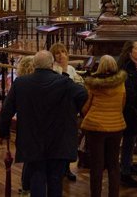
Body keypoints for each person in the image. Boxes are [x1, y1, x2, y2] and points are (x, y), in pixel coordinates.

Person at [0, 51, 88, 197]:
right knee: (55, 180)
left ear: (34, 65)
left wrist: (3, 132)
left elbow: (6, 112)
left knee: (37, 177)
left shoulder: (21, 83)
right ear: (52, 65)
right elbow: (83, 95)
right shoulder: (65, 83)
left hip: (32, 139)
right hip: (58, 140)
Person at [80, 55, 127, 197]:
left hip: (95, 127)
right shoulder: (121, 84)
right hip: (116, 126)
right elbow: (122, 105)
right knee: (113, 164)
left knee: (96, 165)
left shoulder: (93, 84)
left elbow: (85, 107)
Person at [50, 43, 83, 181]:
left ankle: (67, 168)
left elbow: (77, 83)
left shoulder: (70, 68)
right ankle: (57, 168)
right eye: (58, 53)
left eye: (63, 52)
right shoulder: (53, 70)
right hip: (57, 112)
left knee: (70, 141)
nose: (62, 55)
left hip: (71, 110)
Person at [118, 40, 137, 187]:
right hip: (130, 110)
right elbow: (129, 92)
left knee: (132, 140)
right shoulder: (127, 68)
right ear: (130, 52)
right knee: (129, 141)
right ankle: (124, 172)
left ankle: (128, 164)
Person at [15, 55, 35, 196]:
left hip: (24, 127)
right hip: (38, 127)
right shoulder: (41, 83)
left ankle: (25, 187)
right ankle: (29, 187)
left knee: (29, 159)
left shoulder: (19, 84)